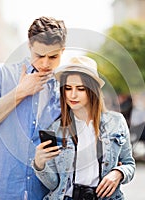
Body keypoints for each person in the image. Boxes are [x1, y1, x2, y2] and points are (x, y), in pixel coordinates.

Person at [0, 16, 67, 200]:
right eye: (39, 56)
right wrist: (19, 93)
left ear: (62, 51)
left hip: (40, 194)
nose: (45, 64)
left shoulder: (64, 90)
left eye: (53, 57)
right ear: (29, 47)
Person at [32, 56, 135, 200]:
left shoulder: (116, 122)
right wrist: (39, 164)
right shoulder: (56, 129)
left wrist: (119, 173)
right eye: (68, 88)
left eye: (80, 88)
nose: (72, 95)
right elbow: (54, 184)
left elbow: (129, 163)